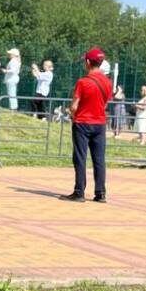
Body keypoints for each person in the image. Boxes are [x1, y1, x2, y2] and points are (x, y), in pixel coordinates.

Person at [60, 47, 112, 203]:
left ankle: (79, 192)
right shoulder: (107, 83)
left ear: (88, 62)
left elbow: (74, 105)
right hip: (100, 123)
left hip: (82, 123)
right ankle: (100, 193)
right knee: (99, 159)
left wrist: (71, 113)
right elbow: (105, 104)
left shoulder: (83, 82)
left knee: (80, 158)